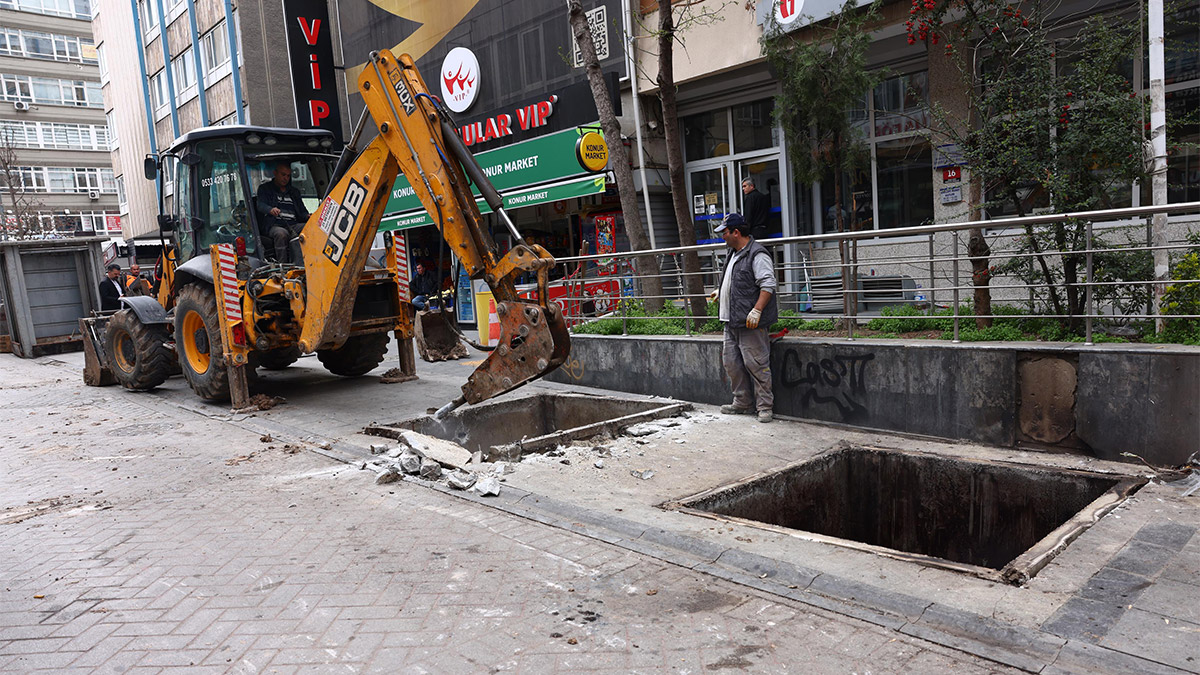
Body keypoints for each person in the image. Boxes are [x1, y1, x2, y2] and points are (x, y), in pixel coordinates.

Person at [713, 213, 778, 423]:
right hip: (731, 321)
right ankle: (742, 402)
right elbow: (737, 279)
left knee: (757, 365)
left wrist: (757, 310)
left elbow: (767, 285)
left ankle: (765, 407)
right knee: (732, 364)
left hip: (750, 323)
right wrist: (721, 290)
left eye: (724, 232)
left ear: (736, 232)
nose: (723, 236)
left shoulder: (757, 254)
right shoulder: (733, 253)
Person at [256, 162, 309, 263]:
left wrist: (308, 216)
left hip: (292, 225)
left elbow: (302, 211)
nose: (286, 178)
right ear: (275, 173)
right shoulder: (265, 189)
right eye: (283, 175)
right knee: (281, 234)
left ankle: (308, 260)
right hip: (274, 225)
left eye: (288, 176)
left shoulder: (294, 192)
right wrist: (270, 210)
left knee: (310, 228)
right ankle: (283, 265)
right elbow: (260, 205)